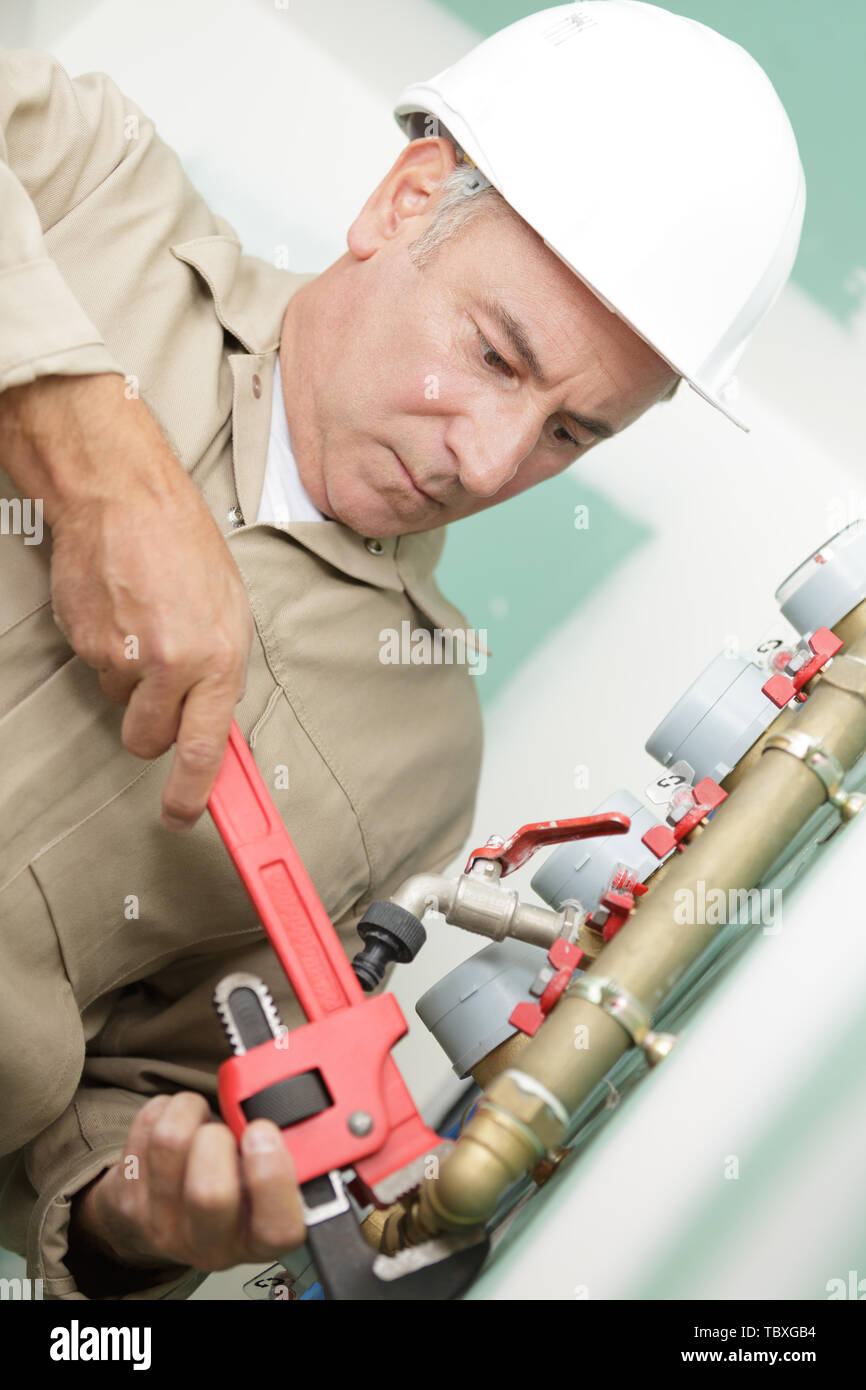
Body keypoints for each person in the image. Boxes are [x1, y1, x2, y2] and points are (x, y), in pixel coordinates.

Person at [0, 2, 804, 1298]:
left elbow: (112, 1122)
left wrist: (145, 1221)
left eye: (567, 437)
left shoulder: (416, 762)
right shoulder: (78, 184)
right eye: (493, 355)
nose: (485, 459)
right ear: (405, 197)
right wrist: (88, 451)